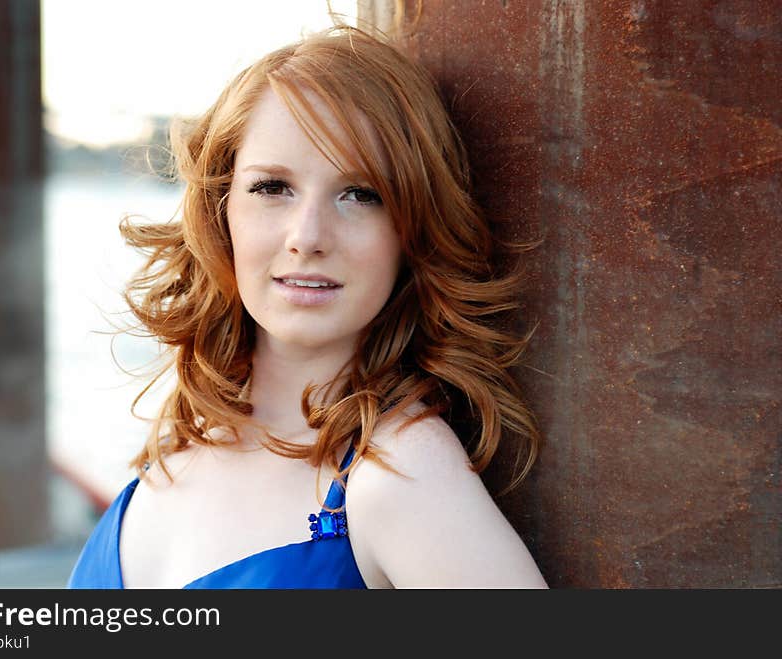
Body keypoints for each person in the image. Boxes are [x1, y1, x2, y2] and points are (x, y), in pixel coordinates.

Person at [67, 25, 548, 589]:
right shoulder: (184, 438)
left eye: (362, 194)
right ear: (221, 210)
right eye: (273, 187)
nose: (308, 236)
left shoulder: (403, 473)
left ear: (412, 229)